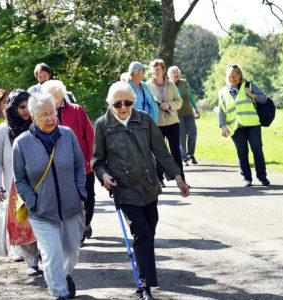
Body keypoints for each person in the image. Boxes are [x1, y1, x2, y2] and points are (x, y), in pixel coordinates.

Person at [92, 81, 190, 300]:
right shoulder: (102, 125)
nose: (123, 107)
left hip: (148, 186)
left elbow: (162, 152)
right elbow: (97, 161)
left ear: (133, 102)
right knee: (142, 233)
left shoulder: (144, 120)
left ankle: (146, 275)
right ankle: (144, 286)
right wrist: (104, 176)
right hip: (124, 189)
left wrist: (178, 178)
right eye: (118, 104)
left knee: (149, 232)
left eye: (127, 102)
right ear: (111, 104)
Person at [13, 92, 86, 300]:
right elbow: (20, 180)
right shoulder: (22, 143)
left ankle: (66, 274)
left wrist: (79, 191)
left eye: (52, 113)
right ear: (33, 117)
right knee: (52, 253)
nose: (50, 119)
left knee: (71, 250)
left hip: (71, 207)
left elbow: (79, 166)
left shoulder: (68, 135)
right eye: (43, 115)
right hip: (42, 212)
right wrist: (33, 202)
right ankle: (59, 293)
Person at [0, 89, 41, 276]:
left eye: (28, 106)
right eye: (21, 107)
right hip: (15, 187)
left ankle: (45, 255)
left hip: (40, 184)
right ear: (13, 108)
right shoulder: (2, 131)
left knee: (41, 222)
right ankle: (32, 263)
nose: (26, 111)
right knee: (24, 224)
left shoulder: (38, 126)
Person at [41, 80, 95, 247]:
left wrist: (92, 157)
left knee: (88, 197)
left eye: (51, 98)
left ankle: (86, 223)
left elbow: (90, 135)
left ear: (60, 97)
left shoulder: (77, 110)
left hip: (83, 165)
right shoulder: (46, 116)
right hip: (60, 168)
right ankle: (76, 234)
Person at [219, 64, 270, 187]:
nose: (232, 79)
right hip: (236, 127)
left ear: (240, 75)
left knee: (257, 149)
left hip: (252, 124)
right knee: (242, 152)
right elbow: (221, 110)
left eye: (234, 77)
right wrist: (223, 126)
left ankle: (262, 177)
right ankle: (247, 178)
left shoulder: (250, 85)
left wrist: (252, 95)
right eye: (230, 77)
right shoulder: (223, 91)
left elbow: (264, 98)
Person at [147, 59, 185, 187]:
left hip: (173, 122)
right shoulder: (147, 85)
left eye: (158, 69)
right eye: (153, 69)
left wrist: (169, 105)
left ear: (163, 70)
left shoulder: (171, 84)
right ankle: (159, 179)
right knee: (158, 152)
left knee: (175, 152)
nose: (155, 71)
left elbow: (179, 102)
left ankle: (182, 179)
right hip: (156, 124)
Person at [168, 66, 200, 166]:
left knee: (193, 133)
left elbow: (190, 96)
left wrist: (195, 108)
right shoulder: (168, 85)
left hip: (189, 112)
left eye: (177, 72)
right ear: (169, 75)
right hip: (177, 114)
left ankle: (191, 154)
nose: (175, 74)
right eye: (173, 72)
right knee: (181, 137)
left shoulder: (184, 82)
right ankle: (184, 158)